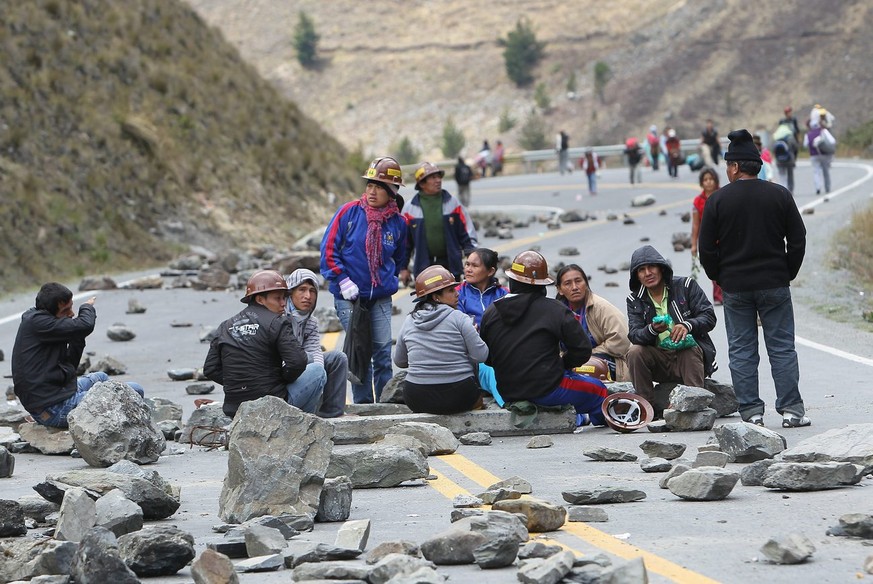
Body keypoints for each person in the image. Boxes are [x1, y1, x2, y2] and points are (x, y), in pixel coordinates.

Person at [699, 129, 809, 428]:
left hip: (736, 287)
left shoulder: (718, 200)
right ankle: (792, 410)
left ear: (734, 166)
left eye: (727, 165)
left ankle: (752, 414)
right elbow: (798, 239)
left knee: (742, 349)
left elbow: (706, 249)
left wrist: (720, 277)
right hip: (774, 283)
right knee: (782, 347)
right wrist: (787, 272)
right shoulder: (779, 195)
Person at [479, 251, 607, 427]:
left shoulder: (491, 312)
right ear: (541, 285)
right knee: (599, 391)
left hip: (507, 391)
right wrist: (563, 365)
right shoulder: (554, 309)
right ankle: (601, 421)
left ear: (512, 281)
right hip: (548, 388)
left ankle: (578, 419)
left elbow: (486, 356)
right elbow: (582, 349)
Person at [320, 156, 408, 404]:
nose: (372, 191)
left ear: (391, 192)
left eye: (379, 187)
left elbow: (400, 257)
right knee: (360, 352)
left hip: (379, 297)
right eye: (370, 185)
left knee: (381, 351)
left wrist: (387, 278)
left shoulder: (398, 223)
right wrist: (343, 280)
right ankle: (363, 404)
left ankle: (385, 401)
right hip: (349, 297)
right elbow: (328, 250)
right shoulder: (348, 213)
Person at [12, 283, 145, 428]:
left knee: (101, 377)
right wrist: (86, 308)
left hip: (58, 393)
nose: (71, 314)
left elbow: (70, 367)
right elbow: (86, 325)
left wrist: (76, 336)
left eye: (72, 307)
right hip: (53, 409)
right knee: (135, 389)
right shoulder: (40, 324)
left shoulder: (48, 325)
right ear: (49, 311)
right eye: (66, 310)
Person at [204, 270, 317, 418]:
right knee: (316, 370)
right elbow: (298, 361)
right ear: (259, 299)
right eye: (278, 298)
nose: (284, 303)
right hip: (271, 405)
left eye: (284, 298)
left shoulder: (225, 326)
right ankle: (302, 424)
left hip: (235, 408)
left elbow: (210, 369)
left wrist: (238, 384)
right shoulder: (278, 322)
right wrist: (282, 379)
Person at [626, 245, 717, 407]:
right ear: (637, 276)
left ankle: (693, 404)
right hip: (659, 361)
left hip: (690, 358)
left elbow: (709, 317)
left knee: (687, 346)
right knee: (634, 351)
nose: (648, 273)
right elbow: (634, 334)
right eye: (641, 270)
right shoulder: (635, 300)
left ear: (661, 268)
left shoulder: (686, 286)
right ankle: (647, 408)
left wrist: (687, 325)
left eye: (652, 266)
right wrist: (653, 330)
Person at [394, 265, 488, 415]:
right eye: (451, 290)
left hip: (417, 398)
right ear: (435, 297)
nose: (457, 294)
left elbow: (400, 361)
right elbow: (481, 356)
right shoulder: (459, 318)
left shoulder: (409, 320)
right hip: (459, 396)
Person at [284, 269, 348, 418]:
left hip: (301, 369)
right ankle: (307, 414)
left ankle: (332, 413)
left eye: (312, 291)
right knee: (311, 363)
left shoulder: (310, 321)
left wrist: (318, 376)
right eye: (302, 290)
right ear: (290, 292)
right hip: (282, 383)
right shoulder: (279, 318)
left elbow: (315, 351)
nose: (308, 296)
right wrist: (315, 374)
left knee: (337, 358)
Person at [400, 161, 478, 281]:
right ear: (421, 183)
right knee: (427, 299)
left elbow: (467, 234)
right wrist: (403, 268)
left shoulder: (453, 203)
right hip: (424, 269)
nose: (438, 180)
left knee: (453, 298)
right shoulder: (409, 209)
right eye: (432, 177)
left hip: (451, 267)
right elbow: (404, 243)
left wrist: (472, 258)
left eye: (438, 176)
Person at [555, 264, 631, 382]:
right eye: (568, 283)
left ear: (586, 283)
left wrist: (589, 354)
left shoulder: (600, 307)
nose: (574, 287)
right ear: (559, 289)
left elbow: (621, 340)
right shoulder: (557, 312)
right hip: (570, 362)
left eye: (578, 281)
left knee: (589, 367)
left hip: (604, 361)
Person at [689, 168, 724, 305]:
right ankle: (718, 295)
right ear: (702, 183)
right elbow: (695, 225)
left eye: (711, 179)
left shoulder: (723, 195)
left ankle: (725, 293)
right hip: (708, 240)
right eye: (705, 180)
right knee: (713, 267)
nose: (708, 182)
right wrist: (693, 244)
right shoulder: (698, 201)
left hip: (723, 238)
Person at [457, 248, 508, 328]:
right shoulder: (457, 293)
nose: (468, 270)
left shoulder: (504, 293)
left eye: (474, 266)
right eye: (467, 264)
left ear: (490, 271)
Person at [804, 119, 836, 195]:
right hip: (824, 154)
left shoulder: (808, 134)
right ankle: (827, 188)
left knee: (816, 172)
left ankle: (818, 188)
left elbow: (805, 145)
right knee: (826, 172)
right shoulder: (823, 131)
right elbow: (832, 141)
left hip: (813, 155)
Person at [772, 120, 799, 193]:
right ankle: (790, 190)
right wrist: (795, 157)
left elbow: (773, 149)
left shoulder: (776, 136)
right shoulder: (790, 135)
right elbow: (795, 147)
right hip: (789, 159)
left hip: (779, 160)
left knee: (782, 175)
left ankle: (782, 191)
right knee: (790, 176)